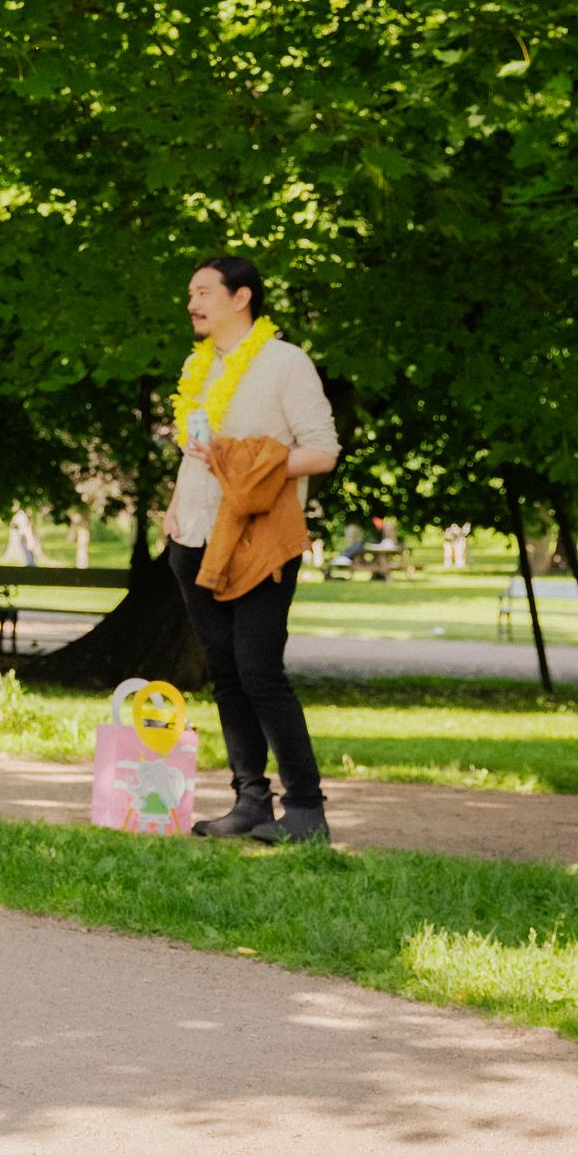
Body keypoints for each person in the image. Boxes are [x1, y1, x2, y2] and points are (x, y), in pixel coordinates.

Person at [165, 254, 341, 847]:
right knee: (225, 674)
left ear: (241, 298)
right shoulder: (198, 366)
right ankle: (250, 802)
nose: (192, 303)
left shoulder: (285, 363)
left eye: (203, 292)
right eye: (189, 294)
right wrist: (174, 505)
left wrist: (249, 461)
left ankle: (308, 810)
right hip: (193, 536)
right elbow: (197, 448)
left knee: (260, 671)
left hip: (259, 541)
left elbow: (322, 451)